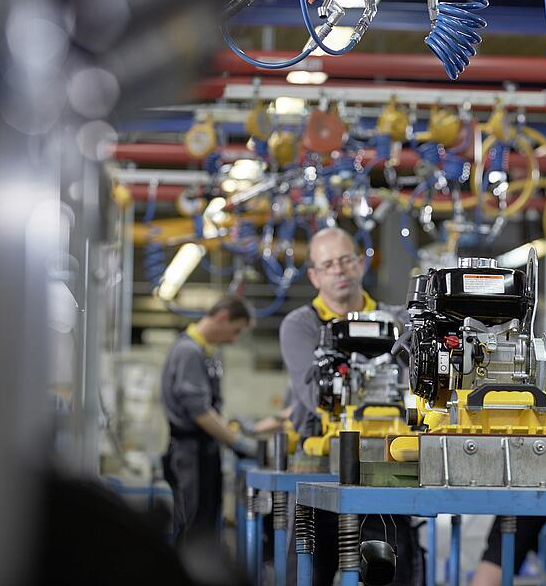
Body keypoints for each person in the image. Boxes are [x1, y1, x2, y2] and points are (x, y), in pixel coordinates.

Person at [280, 226, 422, 586]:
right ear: (314, 276)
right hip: (319, 471)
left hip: (386, 471)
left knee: (392, 572)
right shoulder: (301, 325)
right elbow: (315, 398)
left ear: (360, 263)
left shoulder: (396, 323)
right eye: (328, 265)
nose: (339, 270)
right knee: (309, 573)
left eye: (345, 260)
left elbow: (421, 388)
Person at [161, 295, 259, 545]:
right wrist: (239, 442)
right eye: (235, 331)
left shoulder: (207, 352)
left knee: (205, 524)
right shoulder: (188, 351)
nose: (234, 339)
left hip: (204, 451)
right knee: (193, 526)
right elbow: (201, 413)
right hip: (189, 452)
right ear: (222, 317)